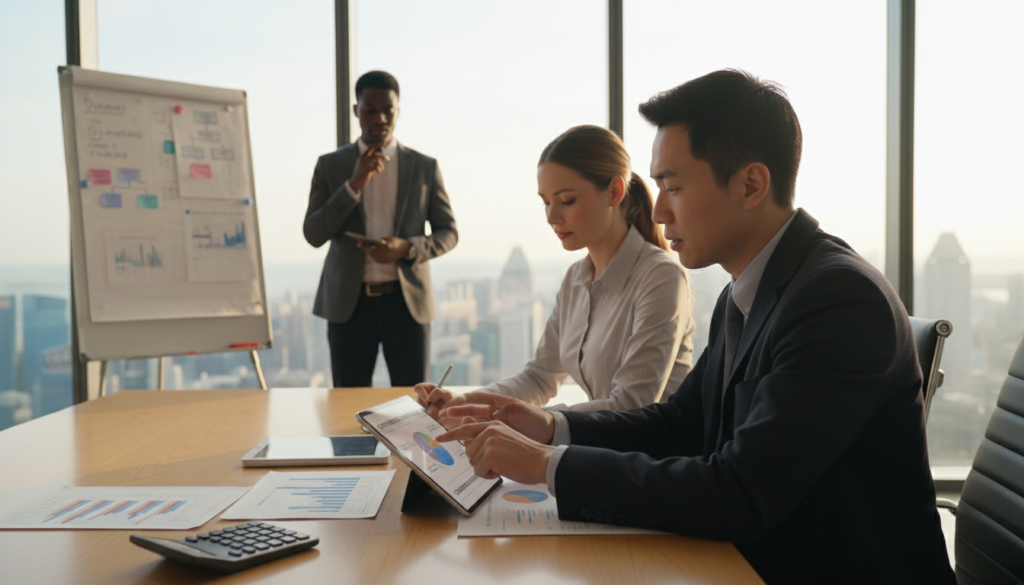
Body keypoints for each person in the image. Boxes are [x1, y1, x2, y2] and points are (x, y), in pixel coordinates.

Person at [434, 70, 955, 584]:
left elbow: (740, 493)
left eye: (674, 187)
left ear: (751, 184)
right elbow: (682, 424)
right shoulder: (747, 288)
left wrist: (548, 465)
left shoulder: (837, 300)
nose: (658, 212)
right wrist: (548, 427)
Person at [416, 125, 694, 415]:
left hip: (650, 454)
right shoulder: (575, 279)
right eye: (546, 202)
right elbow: (539, 377)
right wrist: (464, 402)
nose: (551, 217)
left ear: (614, 191)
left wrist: (539, 421)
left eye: (566, 200)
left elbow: (630, 406)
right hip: (601, 448)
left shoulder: (661, 277)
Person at [303, 70, 457, 387]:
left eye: (388, 110)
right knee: (346, 407)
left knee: (416, 407)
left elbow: (448, 232)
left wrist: (407, 248)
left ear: (398, 111)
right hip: (349, 306)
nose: (380, 118)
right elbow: (314, 234)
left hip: (406, 305)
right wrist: (353, 185)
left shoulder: (424, 167)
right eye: (371, 110)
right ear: (355, 111)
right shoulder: (330, 166)